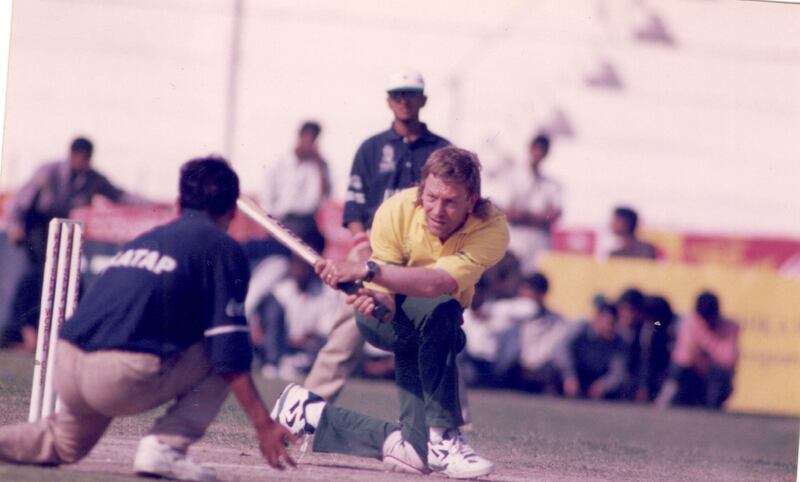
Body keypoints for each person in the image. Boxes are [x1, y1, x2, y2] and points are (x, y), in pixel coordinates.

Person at [0, 157, 296, 481]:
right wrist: (264, 426)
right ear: (232, 212)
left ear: (179, 202)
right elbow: (229, 352)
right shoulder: (223, 247)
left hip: (67, 364)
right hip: (118, 376)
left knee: (61, 444)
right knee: (225, 351)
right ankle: (165, 447)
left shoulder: (148, 238)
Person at [272, 147, 508, 478]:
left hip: (431, 319)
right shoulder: (395, 211)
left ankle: (307, 412)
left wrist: (365, 272)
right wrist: (376, 300)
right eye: (431, 197)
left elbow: (436, 282)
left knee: (414, 455)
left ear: (471, 201)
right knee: (444, 315)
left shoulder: (492, 227)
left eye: (450, 202)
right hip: (389, 319)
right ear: (421, 188)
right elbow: (387, 302)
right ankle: (444, 436)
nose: (437, 210)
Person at [305, 68, 449, 402]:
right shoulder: (370, 148)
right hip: (376, 247)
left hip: (423, 250)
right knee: (348, 328)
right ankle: (304, 408)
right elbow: (354, 208)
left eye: (410, 94)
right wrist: (361, 244)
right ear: (388, 101)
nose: (404, 101)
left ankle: (453, 430)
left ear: (423, 99)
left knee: (437, 334)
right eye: (397, 94)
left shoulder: (442, 151)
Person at [2, 137, 147, 350]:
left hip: (63, 227)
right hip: (35, 226)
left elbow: (120, 195)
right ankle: (20, 333)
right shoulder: (48, 172)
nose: (84, 162)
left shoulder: (93, 179)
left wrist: (152, 203)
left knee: (71, 281)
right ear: (72, 154)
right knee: (35, 275)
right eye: (81, 157)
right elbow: (20, 202)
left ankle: (70, 333)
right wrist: (15, 226)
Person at [250, 230, 341, 381]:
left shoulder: (325, 292)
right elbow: (254, 315)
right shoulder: (277, 286)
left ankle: (290, 363)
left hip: (302, 352)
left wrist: (301, 340)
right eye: (298, 259)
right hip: (270, 346)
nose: (301, 267)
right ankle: (272, 362)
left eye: (307, 263)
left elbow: (324, 332)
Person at [656, 291, 738, 409]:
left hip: (712, 375)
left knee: (720, 375)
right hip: (691, 374)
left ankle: (713, 405)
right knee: (678, 370)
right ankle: (666, 400)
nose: (707, 322)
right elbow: (684, 357)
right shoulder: (689, 322)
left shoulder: (731, 327)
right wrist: (708, 353)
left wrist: (704, 346)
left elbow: (728, 359)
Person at [505, 134, 562, 274]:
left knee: (534, 279)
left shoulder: (551, 184)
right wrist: (538, 217)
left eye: (542, 149)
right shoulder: (512, 177)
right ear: (530, 149)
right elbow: (507, 212)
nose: (538, 153)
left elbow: (555, 215)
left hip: (539, 243)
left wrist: (524, 215)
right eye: (536, 148)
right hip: (516, 240)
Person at [262, 121, 331, 235]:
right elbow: (267, 195)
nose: (309, 143)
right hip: (281, 220)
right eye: (307, 137)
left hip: (307, 222)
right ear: (300, 136)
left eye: (313, 139)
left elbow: (323, 197)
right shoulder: (279, 163)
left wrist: (318, 165)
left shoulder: (319, 165)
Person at [514, 272, 573, 393]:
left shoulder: (558, 322)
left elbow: (560, 355)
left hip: (544, 376)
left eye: (529, 290)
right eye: (523, 290)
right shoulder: (511, 316)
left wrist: (569, 376)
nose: (523, 295)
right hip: (516, 372)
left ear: (542, 294)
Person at [556, 303, 628, 400]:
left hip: (596, 383)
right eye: (609, 323)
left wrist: (604, 385)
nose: (610, 328)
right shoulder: (579, 330)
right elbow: (562, 353)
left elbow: (618, 371)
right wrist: (569, 377)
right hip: (572, 377)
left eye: (613, 324)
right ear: (598, 318)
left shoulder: (618, 343)